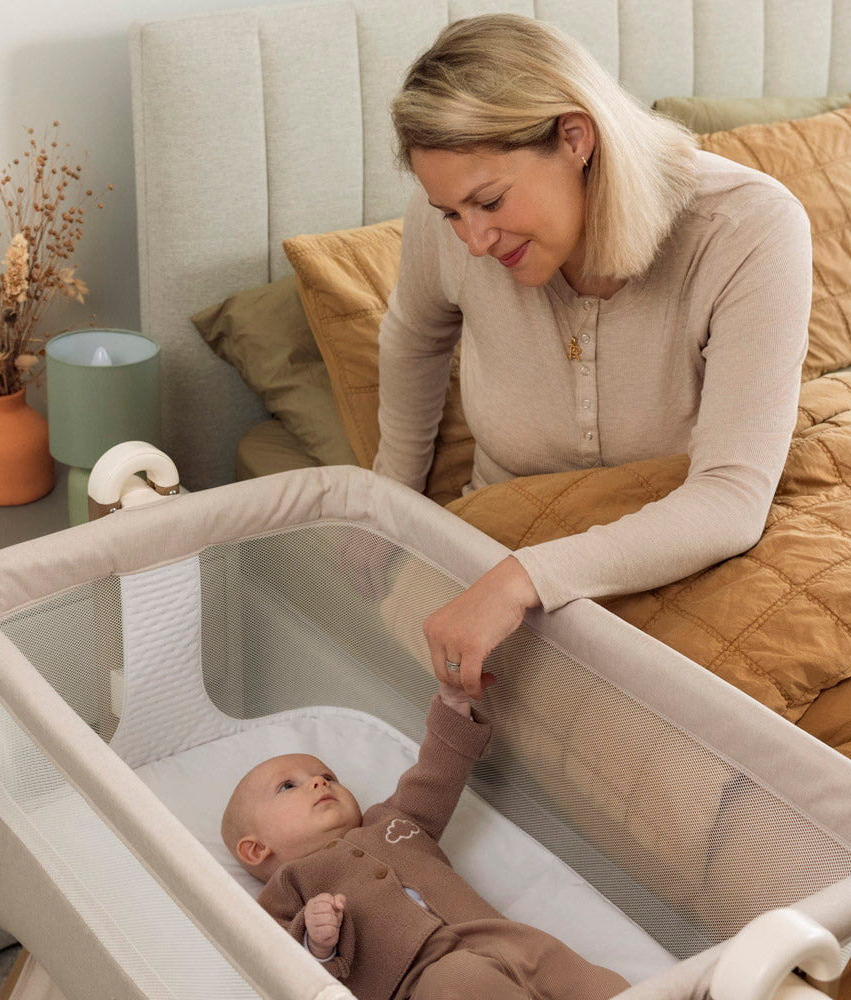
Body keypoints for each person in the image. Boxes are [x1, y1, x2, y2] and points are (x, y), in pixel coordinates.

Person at [371, 14, 812, 700]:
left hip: (690, 546)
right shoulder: (450, 230)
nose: (474, 240)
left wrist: (522, 580)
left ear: (575, 138)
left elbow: (729, 499)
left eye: (487, 201)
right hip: (506, 517)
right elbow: (413, 335)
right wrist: (387, 501)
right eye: (451, 212)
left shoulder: (747, 229)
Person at [221, 678, 629, 1000]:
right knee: (460, 980)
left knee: (585, 980)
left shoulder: (392, 821)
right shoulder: (287, 892)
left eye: (327, 776)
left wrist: (453, 708)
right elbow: (284, 969)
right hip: (422, 982)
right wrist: (317, 942)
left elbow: (435, 776)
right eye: (288, 787)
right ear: (256, 849)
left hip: (508, 940)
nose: (317, 782)